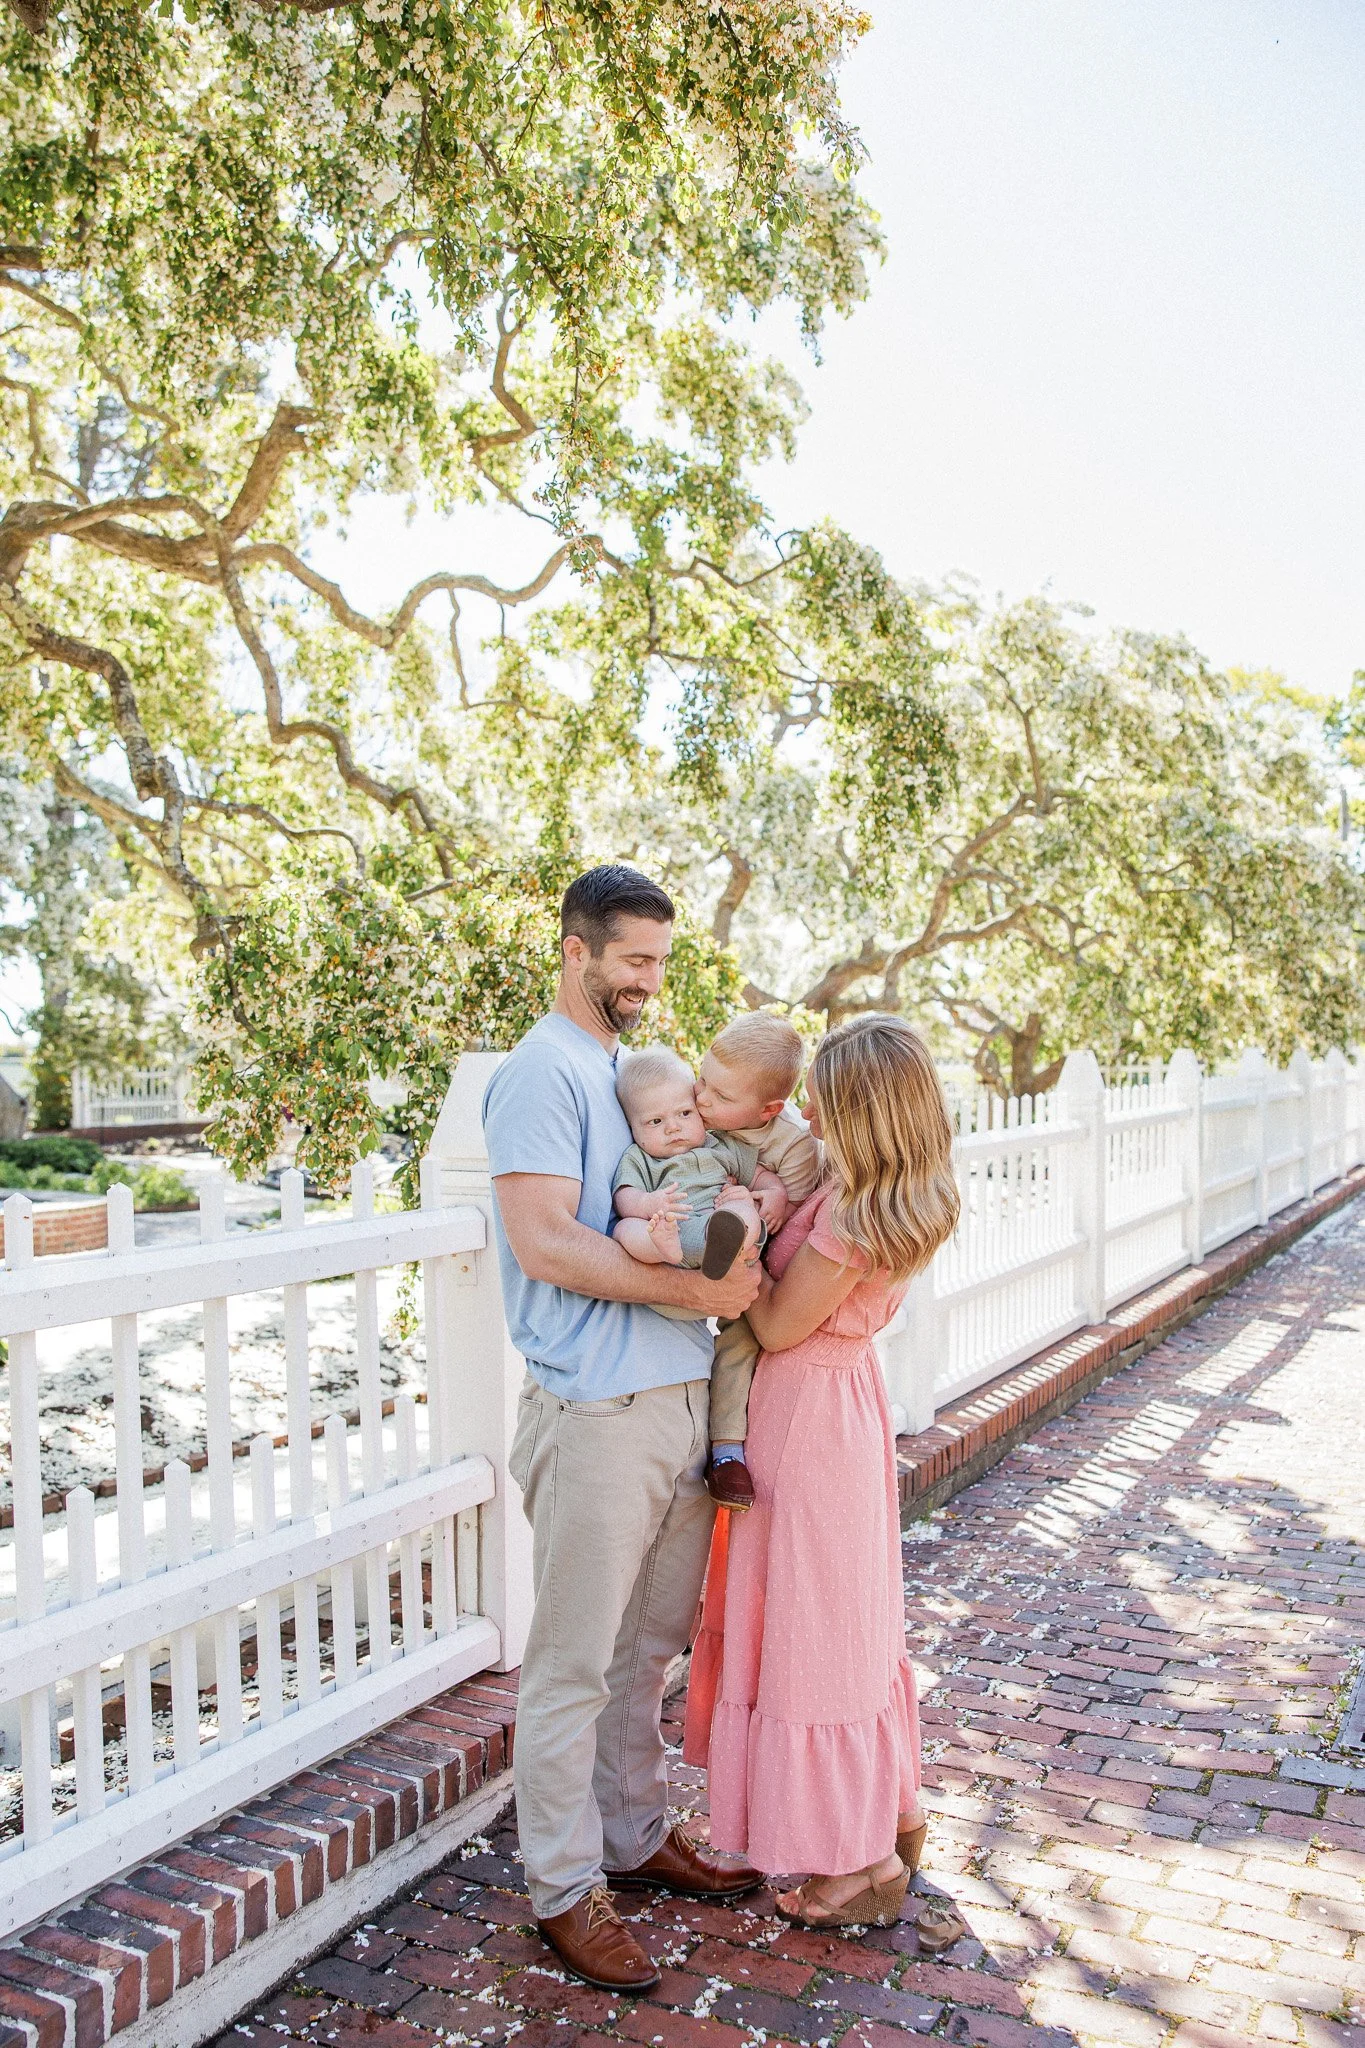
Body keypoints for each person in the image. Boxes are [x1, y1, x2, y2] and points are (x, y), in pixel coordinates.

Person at [482, 865, 763, 1994]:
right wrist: (694, 1293)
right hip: (594, 1410)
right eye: (632, 959)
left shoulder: (630, 1074)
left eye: (660, 959)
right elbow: (547, 1242)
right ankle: (561, 1885)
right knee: (572, 1664)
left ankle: (635, 1836)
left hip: (677, 1404)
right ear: (575, 950)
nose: (650, 979)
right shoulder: (541, 1071)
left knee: (646, 1651)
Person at [684, 1013, 968, 1943]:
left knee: (808, 1631)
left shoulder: (853, 1215)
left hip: (803, 1413)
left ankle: (860, 1866)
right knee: (844, 1623)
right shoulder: (891, 1194)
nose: (804, 1105)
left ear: (865, 1111)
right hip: (843, 1406)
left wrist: (730, 1247)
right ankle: (887, 1809)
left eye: (824, 1095)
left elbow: (774, 1327)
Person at [691, 1012, 822, 1510]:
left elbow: (795, 1224)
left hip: (749, 1265)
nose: (702, 1097)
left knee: (737, 1347)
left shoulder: (792, 1145)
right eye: (703, 1079)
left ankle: (726, 1453)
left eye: (721, 1097)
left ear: (768, 1109)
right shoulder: (694, 1107)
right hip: (678, 1233)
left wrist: (775, 1203)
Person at [611, 1044, 769, 1283]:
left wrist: (772, 1193)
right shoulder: (639, 1157)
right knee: (624, 1229)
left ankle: (730, 1243)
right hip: (668, 1235)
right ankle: (660, 1248)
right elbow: (624, 1195)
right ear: (632, 1128)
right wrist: (646, 1203)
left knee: (742, 1209)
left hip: (717, 1222)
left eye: (684, 1113)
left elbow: (759, 1175)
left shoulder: (718, 1145)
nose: (673, 1127)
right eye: (655, 1121)